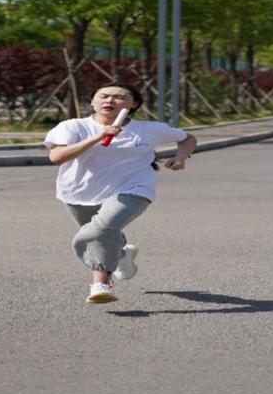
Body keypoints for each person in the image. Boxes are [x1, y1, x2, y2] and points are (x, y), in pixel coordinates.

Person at [44, 83, 197, 304]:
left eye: (119, 97)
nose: (110, 100)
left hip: (133, 188)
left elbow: (187, 138)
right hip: (79, 192)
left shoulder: (149, 129)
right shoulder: (73, 126)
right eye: (103, 96)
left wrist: (181, 158)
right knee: (103, 235)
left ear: (134, 104)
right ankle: (122, 255)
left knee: (100, 230)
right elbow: (57, 157)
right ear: (92, 102)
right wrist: (98, 136)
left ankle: (100, 285)